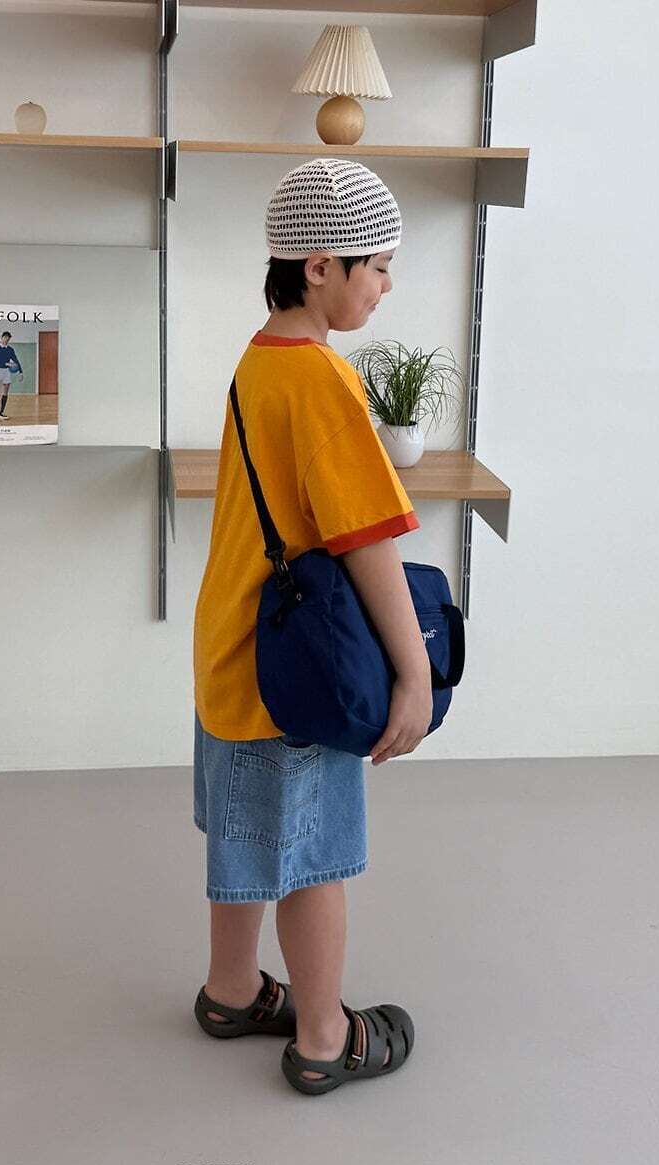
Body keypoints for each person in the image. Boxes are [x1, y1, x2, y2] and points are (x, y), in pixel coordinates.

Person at [191, 158, 430, 1096]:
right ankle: (326, 1036)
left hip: (232, 643)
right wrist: (413, 673)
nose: (386, 284)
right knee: (312, 856)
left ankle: (232, 990)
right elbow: (366, 540)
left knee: (246, 835)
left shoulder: (259, 358)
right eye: (379, 265)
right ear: (321, 266)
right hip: (294, 668)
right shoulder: (324, 378)